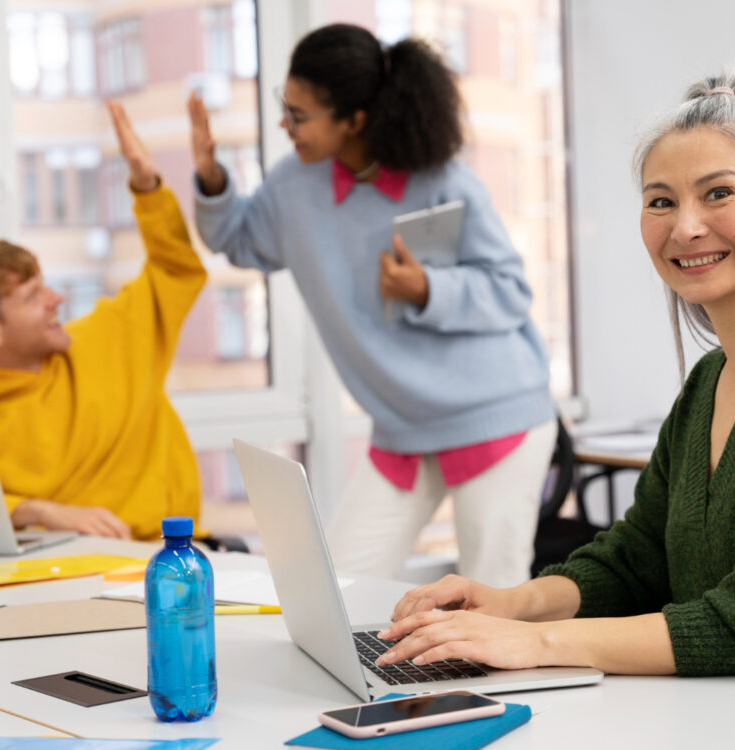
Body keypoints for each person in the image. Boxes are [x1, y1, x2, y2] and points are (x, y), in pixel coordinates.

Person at [373, 72, 735, 677]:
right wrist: (510, 605)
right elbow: (636, 560)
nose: (684, 227)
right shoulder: (709, 382)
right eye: (661, 201)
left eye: (717, 193)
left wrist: (539, 645)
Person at [188, 23, 557, 588]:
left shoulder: (441, 179)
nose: (285, 125)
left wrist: (427, 290)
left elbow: (509, 291)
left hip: (495, 418)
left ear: (354, 119)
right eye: (283, 107)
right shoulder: (293, 185)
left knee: (493, 600)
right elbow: (240, 240)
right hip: (404, 428)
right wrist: (212, 179)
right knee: (329, 590)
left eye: (300, 114)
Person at [0, 103, 208, 541]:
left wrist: (146, 187)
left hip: (162, 560)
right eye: (33, 296)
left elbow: (176, 270)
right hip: (48, 581)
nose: (57, 299)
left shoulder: (110, 337)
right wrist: (33, 510)